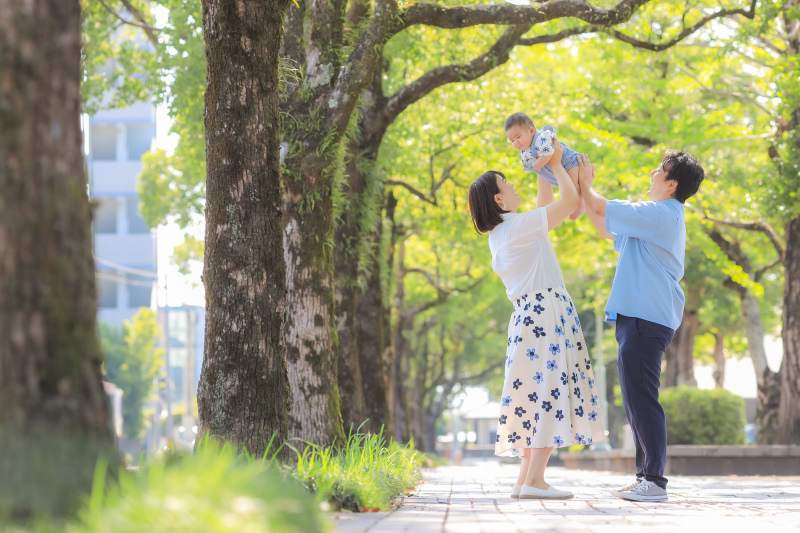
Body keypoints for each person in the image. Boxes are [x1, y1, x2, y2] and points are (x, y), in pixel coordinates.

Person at [468, 141, 605, 501]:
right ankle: (535, 481)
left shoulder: (506, 231)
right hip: (547, 313)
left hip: (529, 317)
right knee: (550, 392)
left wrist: (542, 168)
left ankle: (526, 479)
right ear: (499, 200)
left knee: (533, 394)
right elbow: (571, 202)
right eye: (507, 184)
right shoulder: (516, 228)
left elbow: (545, 209)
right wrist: (558, 163)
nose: (513, 187)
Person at [578, 150, 704, 502]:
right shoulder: (654, 219)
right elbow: (604, 226)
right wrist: (580, 185)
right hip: (639, 316)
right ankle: (645, 477)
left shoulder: (662, 214)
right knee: (636, 400)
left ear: (672, 184)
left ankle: (655, 481)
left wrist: (584, 182)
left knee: (643, 399)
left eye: (659, 170)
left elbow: (602, 207)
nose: (651, 174)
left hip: (647, 316)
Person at [505, 112, 586, 221]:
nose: (516, 143)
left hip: (570, 162)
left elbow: (549, 152)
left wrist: (538, 163)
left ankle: (580, 205)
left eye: (518, 137)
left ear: (531, 131)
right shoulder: (526, 149)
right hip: (559, 170)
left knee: (574, 188)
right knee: (573, 187)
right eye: (512, 141)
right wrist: (528, 166)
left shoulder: (541, 138)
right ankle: (590, 196)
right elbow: (529, 163)